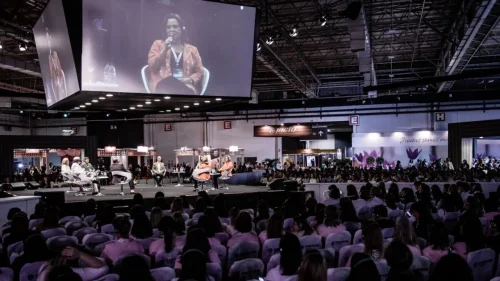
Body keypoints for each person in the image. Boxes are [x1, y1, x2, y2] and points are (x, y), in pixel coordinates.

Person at [147, 13, 204, 95]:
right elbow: (152, 67)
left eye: (175, 26)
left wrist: (190, 79)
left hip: (185, 87)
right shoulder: (158, 44)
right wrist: (164, 49)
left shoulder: (193, 49)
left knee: (184, 90)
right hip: (163, 86)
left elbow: (200, 72)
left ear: (181, 29)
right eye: (168, 27)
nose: (171, 30)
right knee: (170, 81)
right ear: (165, 30)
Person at [45, 26, 67, 104]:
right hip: (54, 77)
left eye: (48, 37)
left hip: (59, 75)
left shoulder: (55, 51)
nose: (47, 40)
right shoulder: (48, 53)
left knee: (63, 94)